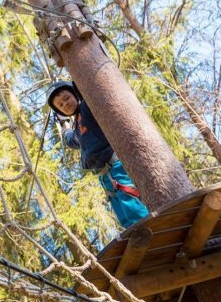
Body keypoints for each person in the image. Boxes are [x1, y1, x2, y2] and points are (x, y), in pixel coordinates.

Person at [46, 81, 149, 228]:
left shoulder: (88, 108)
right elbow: (70, 140)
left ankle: (145, 227)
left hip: (115, 165)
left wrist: (78, 83)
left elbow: (89, 89)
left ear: (75, 93)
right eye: (60, 105)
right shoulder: (77, 128)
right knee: (120, 210)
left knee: (129, 200)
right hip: (103, 174)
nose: (65, 104)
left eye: (66, 98)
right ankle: (134, 232)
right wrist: (64, 124)